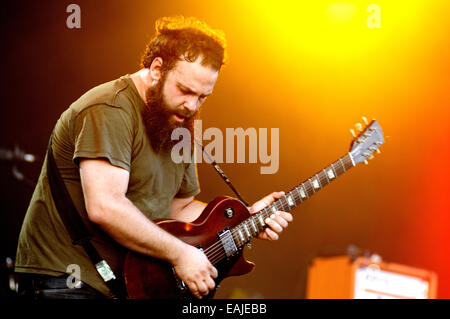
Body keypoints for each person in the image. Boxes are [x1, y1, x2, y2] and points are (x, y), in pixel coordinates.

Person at [15, 16, 293, 299]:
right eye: (185, 90)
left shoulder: (177, 122)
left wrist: (247, 220)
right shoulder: (109, 109)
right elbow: (105, 206)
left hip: (119, 288)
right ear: (157, 68)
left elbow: (178, 210)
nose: (191, 105)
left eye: (202, 97)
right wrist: (181, 255)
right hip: (66, 282)